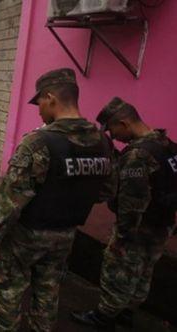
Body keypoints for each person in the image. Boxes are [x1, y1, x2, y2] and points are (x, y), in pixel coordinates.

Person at [0, 68, 115, 332]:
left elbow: (11, 200)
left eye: (39, 103)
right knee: (48, 293)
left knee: (9, 293)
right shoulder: (102, 142)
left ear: (50, 97)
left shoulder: (38, 143)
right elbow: (106, 191)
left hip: (26, 235)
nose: (38, 110)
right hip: (65, 234)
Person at [71, 97, 177, 330]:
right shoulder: (166, 144)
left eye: (112, 129)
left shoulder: (138, 155)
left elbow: (132, 202)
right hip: (162, 224)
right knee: (142, 271)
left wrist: (122, 235)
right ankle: (126, 312)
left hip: (139, 227)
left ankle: (104, 316)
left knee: (117, 270)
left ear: (124, 123)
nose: (113, 136)